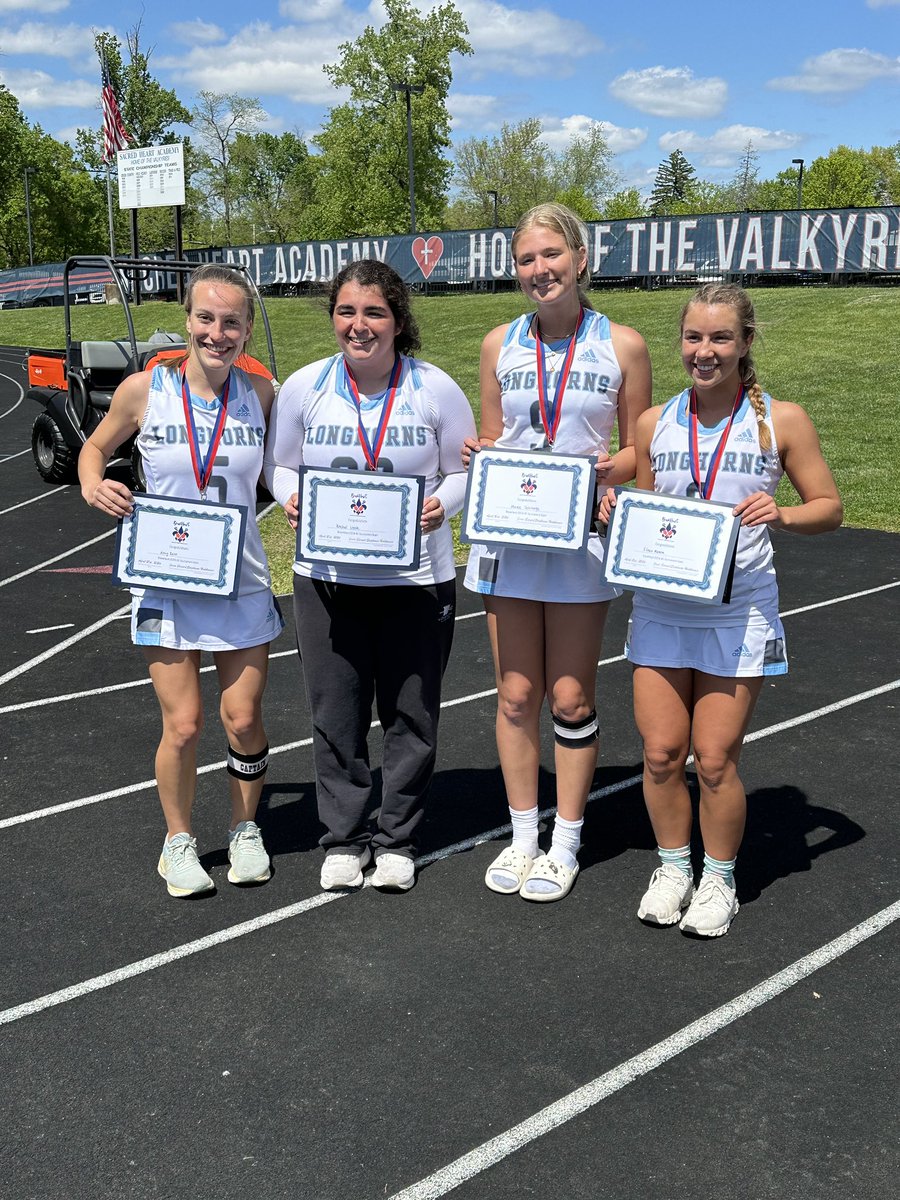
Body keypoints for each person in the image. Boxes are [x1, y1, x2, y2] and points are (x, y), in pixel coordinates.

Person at [602, 282, 842, 936]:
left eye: (720, 339)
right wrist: (614, 514)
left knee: (713, 759)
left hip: (739, 611)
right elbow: (650, 516)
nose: (704, 352)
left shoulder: (780, 421)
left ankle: (719, 880)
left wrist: (784, 512)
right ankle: (675, 867)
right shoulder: (655, 422)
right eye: (694, 337)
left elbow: (830, 507)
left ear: (745, 343)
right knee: (659, 754)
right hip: (663, 607)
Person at [263, 259, 476, 892]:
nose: (360, 326)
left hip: (416, 580)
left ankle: (398, 840)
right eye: (347, 311)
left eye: (375, 312)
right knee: (335, 713)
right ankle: (345, 837)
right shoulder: (306, 386)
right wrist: (292, 495)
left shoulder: (434, 388)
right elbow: (281, 464)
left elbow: (463, 469)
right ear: (333, 317)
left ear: (398, 320)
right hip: (327, 579)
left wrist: (446, 504)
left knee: (411, 715)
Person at [463, 202, 652, 902]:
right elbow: (492, 437)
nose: (538, 270)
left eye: (550, 255)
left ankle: (565, 841)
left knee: (569, 699)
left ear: (579, 259)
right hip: (513, 534)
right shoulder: (497, 345)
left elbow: (641, 447)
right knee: (516, 695)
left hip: (579, 540)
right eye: (525, 259)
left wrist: (611, 471)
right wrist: (482, 453)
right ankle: (521, 837)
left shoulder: (622, 344)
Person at [79, 263, 284, 898]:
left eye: (231, 322)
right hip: (167, 576)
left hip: (242, 578)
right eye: (205, 318)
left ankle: (245, 828)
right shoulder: (145, 390)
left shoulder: (264, 394)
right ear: (187, 319)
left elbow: (285, 471)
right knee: (186, 724)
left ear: (247, 329)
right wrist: (93, 481)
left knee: (243, 717)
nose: (216, 333)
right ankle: (178, 840)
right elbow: (94, 447)